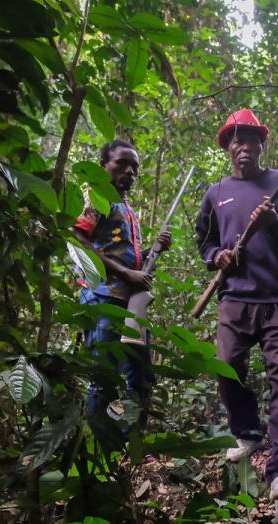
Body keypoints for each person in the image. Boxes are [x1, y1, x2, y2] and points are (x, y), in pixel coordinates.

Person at [195, 109, 278, 501]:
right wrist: (217, 257)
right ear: (228, 148)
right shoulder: (216, 192)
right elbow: (205, 241)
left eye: (250, 139)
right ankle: (247, 433)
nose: (243, 146)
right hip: (235, 299)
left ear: (262, 144)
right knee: (226, 368)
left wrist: (274, 224)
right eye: (236, 140)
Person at [72, 138, 170, 446]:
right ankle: (103, 450)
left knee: (140, 375)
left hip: (131, 303)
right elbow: (78, 239)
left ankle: (131, 445)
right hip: (102, 297)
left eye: (134, 167)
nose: (129, 171)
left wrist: (155, 249)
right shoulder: (96, 196)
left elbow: (127, 256)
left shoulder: (126, 208)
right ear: (104, 166)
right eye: (121, 164)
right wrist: (126, 273)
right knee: (104, 378)